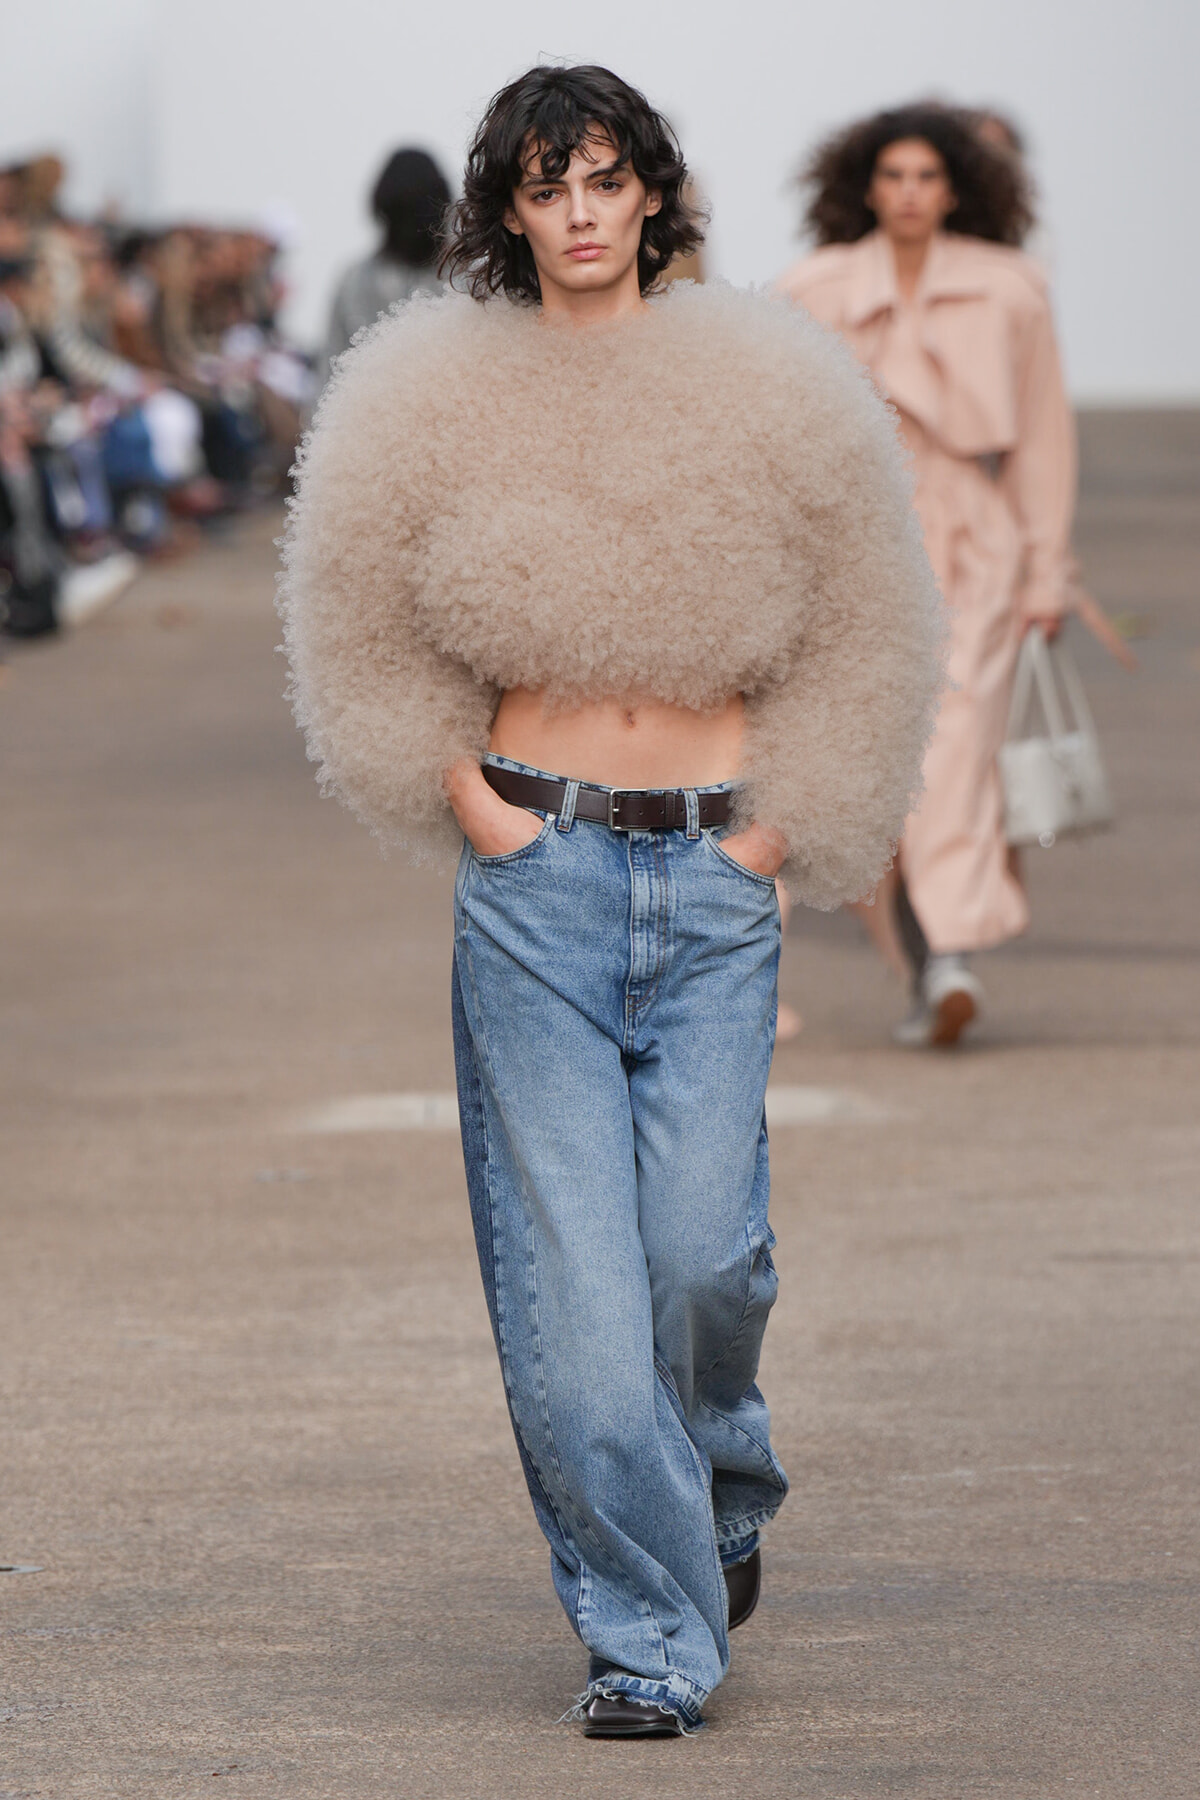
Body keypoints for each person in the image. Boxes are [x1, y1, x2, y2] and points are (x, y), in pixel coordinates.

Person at [280, 64, 941, 1736]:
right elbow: (355, 608)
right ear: (506, 212)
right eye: (544, 186)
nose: (578, 213)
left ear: (650, 191)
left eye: (602, 179)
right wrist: (469, 807)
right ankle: (650, 1637)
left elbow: (867, 606)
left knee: (702, 1265)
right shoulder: (429, 388)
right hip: (542, 881)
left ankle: (713, 1476)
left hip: (715, 876)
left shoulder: (767, 376)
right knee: (574, 1308)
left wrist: (776, 838)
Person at [777, 103, 1075, 1046]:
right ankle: (914, 967)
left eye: (928, 176)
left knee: (953, 752)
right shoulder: (812, 289)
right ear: (865, 187)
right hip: (855, 538)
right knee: (850, 757)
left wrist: (1047, 572)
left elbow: (1043, 438)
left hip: (971, 536)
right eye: (893, 176)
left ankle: (949, 956)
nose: (910, 193)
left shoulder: (1011, 292)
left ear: (956, 190)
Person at [319, 147, 450, 387]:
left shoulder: (466, 280)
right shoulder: (356, 282)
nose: (411, 228)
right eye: (403, 215)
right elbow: (330, 373)